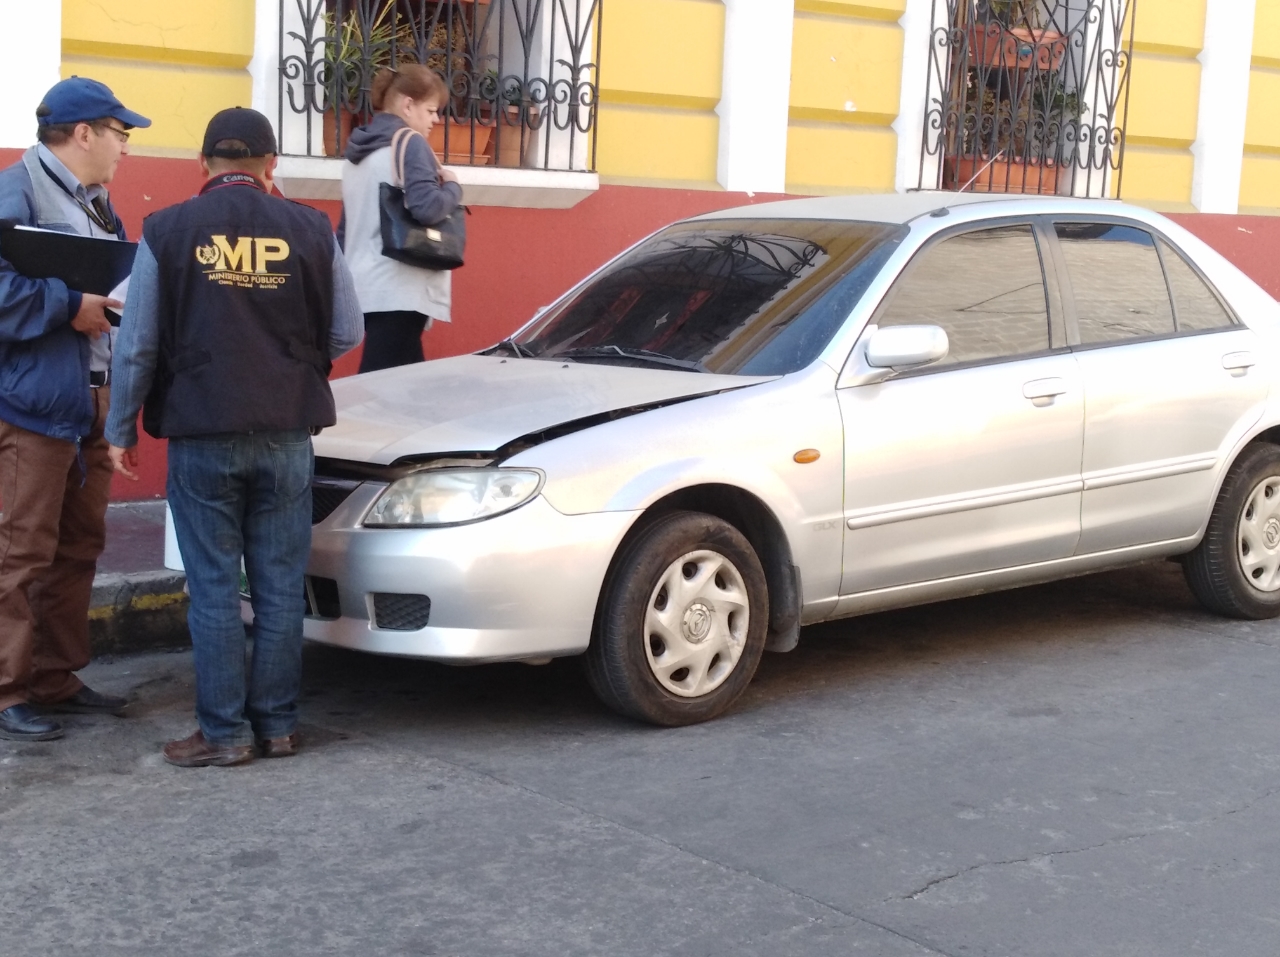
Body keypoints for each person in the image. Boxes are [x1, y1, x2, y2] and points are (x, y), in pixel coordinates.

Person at [104, 107, 363, 767]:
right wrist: (290, 363)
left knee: (215, 585)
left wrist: (119, 427)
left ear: (204, 165)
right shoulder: (309, 227)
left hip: (202, 430)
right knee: (278, 583)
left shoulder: (166, 230)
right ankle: (275, 726)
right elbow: (347, 330)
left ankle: (223, 734)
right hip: (286, 432)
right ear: (271, 167)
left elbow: (136, 346)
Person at [0, 77, 151, 743]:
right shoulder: (17, 190)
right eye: (121, 133)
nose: (125, 147)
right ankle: (7, 692)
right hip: (31, 404)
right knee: (20, 549)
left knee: (79, 545)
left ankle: (54, 677)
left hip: (90, 398)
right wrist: (69, 306)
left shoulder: (98, 203)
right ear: (85, 133)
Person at [339, 64, 463, 373]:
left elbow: (345, 228)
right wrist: (453, 186)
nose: (436, 119)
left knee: (401, 380)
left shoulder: (358, 152)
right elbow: (427, 208)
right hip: (400, 285)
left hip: (364, 284)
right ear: (408, 105)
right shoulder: (411, 143)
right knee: (388, 385)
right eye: (432, 109)